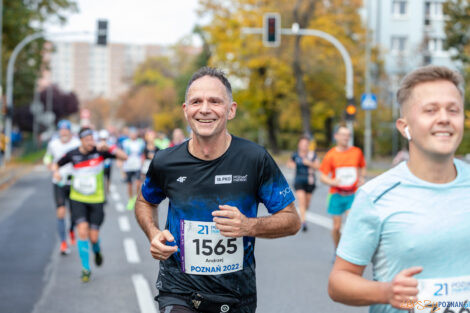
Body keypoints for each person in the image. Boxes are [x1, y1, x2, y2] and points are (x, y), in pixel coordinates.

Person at [135, 67, 301, 313]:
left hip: (235, 295)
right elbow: (144, 202)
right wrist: (153, 233)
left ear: (231, 110)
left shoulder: (254, 159)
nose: (204, 109)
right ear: (185, 110)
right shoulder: (165, 161)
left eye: (214, 101)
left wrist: (249, 226)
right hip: (178, 289)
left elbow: (292, 220)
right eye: (196, 102)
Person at [328, 65, 470, 313]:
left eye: (453, 110)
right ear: (405, 127)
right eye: (430, 110)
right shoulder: (376, 195)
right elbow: (339, 283)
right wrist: (386, 292)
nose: (444, 118)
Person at [53, 127, 127, 282]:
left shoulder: (100, 151)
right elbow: (56, 164)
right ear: (81, 140)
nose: (91, 142)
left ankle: (97, 251)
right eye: (87, 140)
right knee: (82, 231)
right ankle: (86, 269)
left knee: (93, 237)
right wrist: (56, 172)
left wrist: (111, 148)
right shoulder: (73, 154)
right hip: (78, 199)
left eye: (92, 139)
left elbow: (124, 157)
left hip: (96, 200)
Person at [320, 126, 366, 249]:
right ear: (336, 136)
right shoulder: (331, 155)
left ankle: (350, 251)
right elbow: (322, 177)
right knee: (336, 227)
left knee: (353, 222)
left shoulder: (356, 152)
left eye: (348, 135)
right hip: (336, 194)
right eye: (343, 134)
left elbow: (362, 166)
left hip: (352, 194)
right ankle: (337, 249)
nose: (346, 137)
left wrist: (361, 177)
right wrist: (332, 181)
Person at [43, 120, 81, 254]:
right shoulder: (53, 144)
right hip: (58, 182)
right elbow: (47, 158)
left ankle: (71, 230)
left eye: (66, 129)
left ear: (70, 131)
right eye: (61, 129)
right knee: (60, 212)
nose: (64, 132)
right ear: (59, 131)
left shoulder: (77, 143)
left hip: (74, 182)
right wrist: (53, 170)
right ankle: (63, 242)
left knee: (73, 213)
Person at [287, 136, 320, 232]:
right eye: (302, 144)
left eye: (306, 144)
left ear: (308, 145)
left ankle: (303, 215)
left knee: (307, 203)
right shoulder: (295, 155)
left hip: (310, 181)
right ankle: (303, 222)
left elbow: (318, 166)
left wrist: (309, 163)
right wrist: (292, 165)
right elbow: (289, 163)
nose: (304, 146)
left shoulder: (312, 155)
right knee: (301, 201)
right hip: (299, 181)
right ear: (299, 145)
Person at [122, 127, 145, 210]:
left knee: (138, 183)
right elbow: (123, 154)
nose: (133, 135)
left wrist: (143, 162)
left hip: (137, 165)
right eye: (132, 133)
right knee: (129, 184)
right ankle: (130, 199)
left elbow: (142, 153)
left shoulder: (141, 142)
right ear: (129, 134)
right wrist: (122, 168)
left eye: (134, 133)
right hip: (128, 165)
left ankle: (136, 197)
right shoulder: (125, 143)